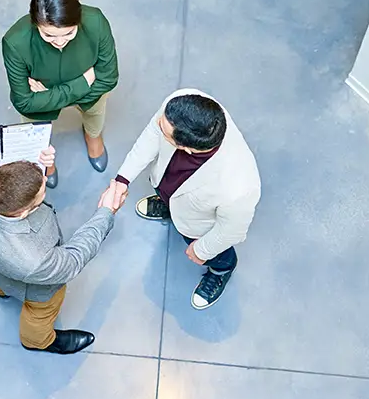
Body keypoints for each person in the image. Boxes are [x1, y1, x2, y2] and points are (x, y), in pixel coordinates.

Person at [0, 147, 119, 355]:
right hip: (34, 287)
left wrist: (40, 164)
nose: (46, 181)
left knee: (0, 277)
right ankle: (37, 341)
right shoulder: (33, 260)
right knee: (41, 311)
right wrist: (106, 212)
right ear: (24, 212)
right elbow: (73, 258)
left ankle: (3, 291)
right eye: (41, 191)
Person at [104, 90, 260, 310]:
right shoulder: (181, 104)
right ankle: (169, 207)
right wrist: (123, 179)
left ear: (185, 147)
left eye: (164, 130)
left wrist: (201, 250)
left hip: (198, 225)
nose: (158, 123)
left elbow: (230, 231)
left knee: (220, 255)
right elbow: (151, 135)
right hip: (171, 187)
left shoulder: (238, 187)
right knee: (170, 197)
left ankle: (221, 270)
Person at [1, 0, 119, 189]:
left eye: (68, 33)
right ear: (35, 24)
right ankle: (47, 162)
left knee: (95, 111)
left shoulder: (96, 22)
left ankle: (93, 136)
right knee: (36, 129)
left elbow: (109, 78)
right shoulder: (15, 42)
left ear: (79, 21)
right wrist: (83, 82)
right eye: (48, 35)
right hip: (87, 88)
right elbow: (24, 103)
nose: (59, 42)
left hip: (70, 95)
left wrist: (47, 96)